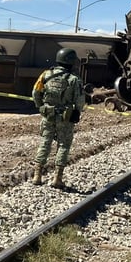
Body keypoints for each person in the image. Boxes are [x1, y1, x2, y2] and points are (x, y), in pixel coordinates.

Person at [31, 47, 86, 188]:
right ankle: (57, 179)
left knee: (45, 142)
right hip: (65, 118)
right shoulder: (74, 79)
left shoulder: (45, 74)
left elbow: (35, 92)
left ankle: (37, 176)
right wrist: (77, 112)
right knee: (63, 145)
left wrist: (41, 107)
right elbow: (80, 100)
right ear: (71, 62)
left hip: (47, 115)